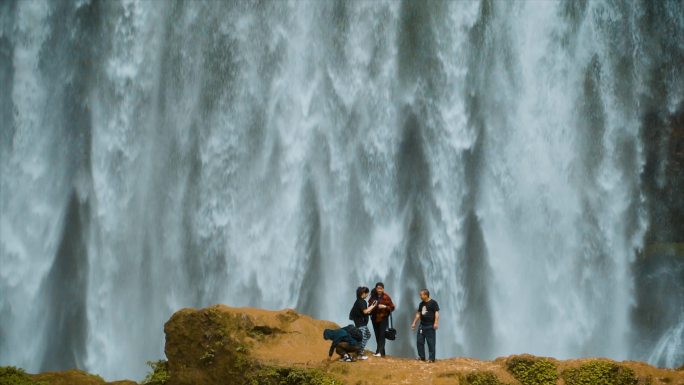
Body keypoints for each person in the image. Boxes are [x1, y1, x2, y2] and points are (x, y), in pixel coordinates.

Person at [411, 289, 440, 363]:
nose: (420, 296)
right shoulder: (421, 304)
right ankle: (422, 357)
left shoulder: (433, 303)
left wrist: (436, 322)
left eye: (421, 295)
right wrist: (414, 322)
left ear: (426, 295)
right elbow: (418, 314)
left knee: (431, 342)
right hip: (422, 325)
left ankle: (431, 358)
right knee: (419, 341)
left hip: (430, 325)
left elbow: (436, 313)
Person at [349, 286, 376, 360]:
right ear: (363, 293)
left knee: (367, 335)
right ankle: (359, 354)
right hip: (360, 324)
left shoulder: (359, 301)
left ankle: (358, 351)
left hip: (361, 323)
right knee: (363, 337)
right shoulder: (361, 301)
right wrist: (373, 306)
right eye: (367, 293)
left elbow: (365, 311)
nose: (367, 295)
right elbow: (365, 311)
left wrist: (370, 309)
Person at [368, 282, 395, 357]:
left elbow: (392, 307)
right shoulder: (373, 297)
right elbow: (369, 305)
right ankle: (381, 352)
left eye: (381, 288)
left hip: (383, 318)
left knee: (382, 335)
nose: (379, 290)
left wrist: (385, 307)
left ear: (383, 289)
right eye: (378, 288)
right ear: (376, 289)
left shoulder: (386, 296)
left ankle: (379, 351)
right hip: (374, 318)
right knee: (377, 335)